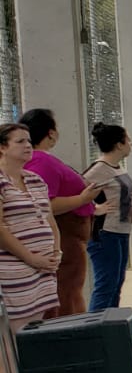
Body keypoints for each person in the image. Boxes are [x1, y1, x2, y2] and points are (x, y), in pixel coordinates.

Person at [19, 108, 104, 317]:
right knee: (66, 291)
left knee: (69, 289)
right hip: (64, 235)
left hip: (70, 235)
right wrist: (82, 199)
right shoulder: (41, 161)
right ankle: (69, 332)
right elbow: (45, 204)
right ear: (50, 132)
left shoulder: (42, 160)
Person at [0, 122, 61, 331]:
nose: (27, 145)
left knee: (33, 335)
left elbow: (49, 220)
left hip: (42, 272)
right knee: (14, 337)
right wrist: (31, 258)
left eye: (28, 141)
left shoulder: (35, 180)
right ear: (2, 147)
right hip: (13, 274)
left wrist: (56, 252)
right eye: (20, 141)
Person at [82, 123, 132, 312]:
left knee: (116, 282)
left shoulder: (116, 168)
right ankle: (95, 326)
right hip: (105, 234)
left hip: (121, 232)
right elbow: (76, 191)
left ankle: (110, 324)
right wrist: (94, 208)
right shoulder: (98, 169)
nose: (131, 143)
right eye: (128, 139)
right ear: (119, 144)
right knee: (106, 285)